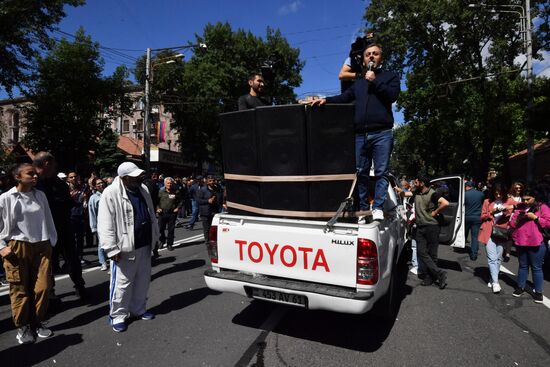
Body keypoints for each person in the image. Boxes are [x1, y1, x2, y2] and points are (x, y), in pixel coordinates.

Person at [310, 43, 400, 223]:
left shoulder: (390, 76)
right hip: (360, 134)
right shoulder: (358, 83)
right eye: (368, 54)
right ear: (364, 59)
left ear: (381, 58)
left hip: (382, 132)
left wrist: (374, 80)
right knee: (361, 173)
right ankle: (363, 209)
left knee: (381, 172)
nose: (371, 57)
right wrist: (325, 100)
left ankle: (378, 208)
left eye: (375, 54)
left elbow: (393, 96)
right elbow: (345, 97)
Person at [97, 162, 159, 332]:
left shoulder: (142, 189)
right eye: (134, 177)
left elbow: (151, 214)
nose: (139, 178)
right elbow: (104, 224)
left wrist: (155, 236)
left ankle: (138, 309)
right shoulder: (110, 193)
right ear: (124, 178)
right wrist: (111, 248)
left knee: (142, 279)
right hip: (124, 248)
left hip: (144, 243)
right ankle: (117, 315)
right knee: (122, 284)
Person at [0, 163, 57, 344]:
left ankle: (37, 321)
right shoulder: (6, 198)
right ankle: (22, 326)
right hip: (18, 246)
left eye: (35, 173)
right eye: (30, 174)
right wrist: (2, 246)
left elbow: (48, 218)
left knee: (43, 287)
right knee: (19, 289)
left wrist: (51, 241)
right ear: (18, 177)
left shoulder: (40, 195)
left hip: (42, 245)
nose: (35, 176)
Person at [33, 152, 87, 299]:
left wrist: (75, 202)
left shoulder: (58, 183)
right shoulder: (32, 183)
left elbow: (67, 203)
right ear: (47, 164)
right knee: (46, 266)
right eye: (54, 165)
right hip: (41, 232)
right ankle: (50, 295)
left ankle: (80, 286)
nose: (56, 168)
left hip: (63, 228)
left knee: (72, 259)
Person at [509, 186, 549, 303]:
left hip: (537, 242)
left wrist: (535, 218)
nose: (525, 201)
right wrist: (517, 219)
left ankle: (539, 292)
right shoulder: (520, 207)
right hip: (521, 241)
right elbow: (512, 223)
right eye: (524, 199)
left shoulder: (542, 207)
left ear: (535, 197)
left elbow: (548, 223)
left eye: (528, 199)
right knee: (522, 266)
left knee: (536, 267)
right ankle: (520, 287)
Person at [413, 174, 449, 289]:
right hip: (420, 227)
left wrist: (436, 212)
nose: (415, 183)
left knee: (432, 254)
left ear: (422, 183)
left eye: (416, 181)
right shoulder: (417, 192)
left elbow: (445, 203)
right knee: (421, 252)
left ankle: (430, 277)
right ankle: (439, 273)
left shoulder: (433, 194)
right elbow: (406, 193)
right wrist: (399, 190)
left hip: (432, 227)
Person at [478, 183, 514, 294]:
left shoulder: (509, 201)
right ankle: (495, 282)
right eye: (495, 193)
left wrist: (507, 209)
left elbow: (519, 207)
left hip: (502, 233)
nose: (497, 195)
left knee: (498, 259)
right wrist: (491, 213)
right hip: (489, 232)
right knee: (492, 258)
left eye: (500, 193)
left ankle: (492, 278)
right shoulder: (487, 201)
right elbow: (482, 216)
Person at [156, 177, 183, 252]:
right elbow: (156, 201)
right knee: (161, 228)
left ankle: (169, 244)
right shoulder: (161, 191)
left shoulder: (176, 191)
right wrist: (158, 208)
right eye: (168, 183)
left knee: (171, 229)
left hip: (172, 213)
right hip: (162, 213)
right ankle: (162, 241)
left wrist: (178, 208)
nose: (169, 184)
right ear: (165, 183)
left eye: (171, 183)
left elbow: (181, 201)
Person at [88, 178, 108, 271]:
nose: (101, 185)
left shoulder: (109, 194)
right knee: (101, 244)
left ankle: (113, 263)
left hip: (111, 222)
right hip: (101, 224)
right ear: (95, 186)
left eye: (102, 183)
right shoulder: (93, 198)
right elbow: (92, 213)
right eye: (98, 184)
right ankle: (103, 262)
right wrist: (94, 227)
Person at [197, 175, 222, 243]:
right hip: (205, 212)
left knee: (214, 227)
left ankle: (214, 240)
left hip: (215, 211)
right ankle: (207, 241)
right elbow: (198, 200)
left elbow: (220, 197)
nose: (212, 182)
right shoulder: (202, 190)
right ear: (207, 181)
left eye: (213, 180)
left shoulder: (217, 189)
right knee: (207, 228)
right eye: (210, 181)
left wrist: (222, 203)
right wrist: (207, 201)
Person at [464, 181, 485, 261]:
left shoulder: (465, 194)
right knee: (475, 236)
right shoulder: (481, 194)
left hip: (467, 216)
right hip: (477, 217)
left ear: (467, 186)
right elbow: (482, 203)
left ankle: (462, 245)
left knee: (464, 232)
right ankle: (474, 254)